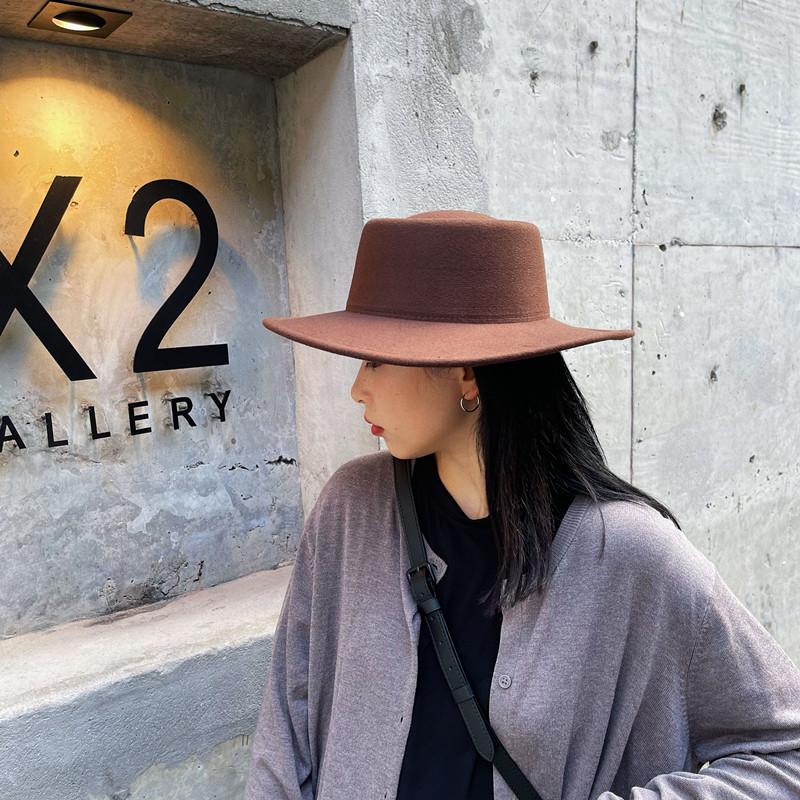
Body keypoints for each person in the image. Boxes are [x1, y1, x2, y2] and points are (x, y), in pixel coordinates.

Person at [245, 211, 800, 800]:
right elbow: (285, 737)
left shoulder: (630, 554)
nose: (357, 387)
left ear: (466, 375)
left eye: (376, 360)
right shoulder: (350, 510)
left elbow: (785, 753)